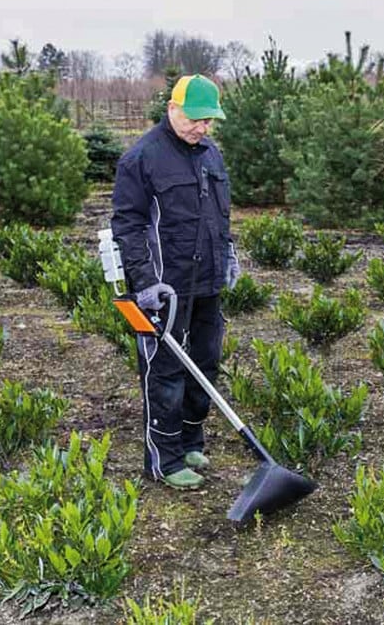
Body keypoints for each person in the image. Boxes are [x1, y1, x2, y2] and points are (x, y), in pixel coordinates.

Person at [110, 74, 239, 489]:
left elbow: (219, 214)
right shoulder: (142, 159)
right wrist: (145, 283)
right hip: (165, 288)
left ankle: (189, 439)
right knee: (165, 371)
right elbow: (127, 227)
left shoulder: (210, 154)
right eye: (196, 119)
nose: (203, 128)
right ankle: (163, 459)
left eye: (209, 121)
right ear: (172, 109)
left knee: (205, 363)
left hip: (206, 283)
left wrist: (229, 254)